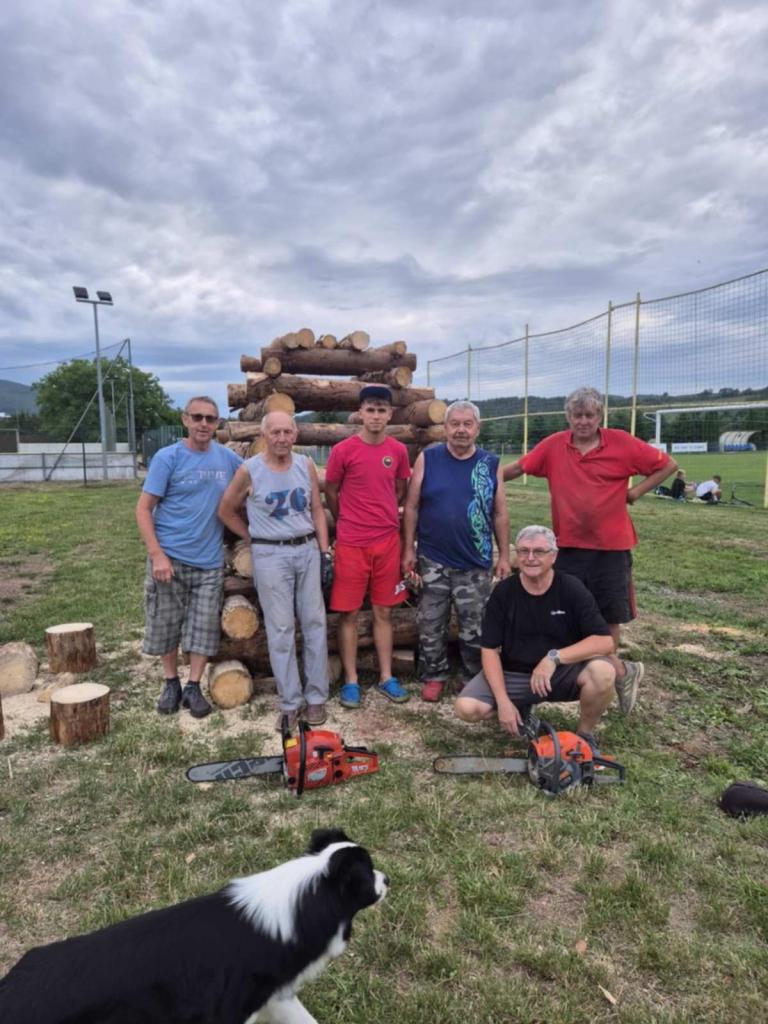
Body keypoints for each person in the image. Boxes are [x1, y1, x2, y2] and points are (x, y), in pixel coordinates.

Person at [503, 386, 677, 716]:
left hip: (611, 547)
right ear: (568, 417)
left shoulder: (621, 443)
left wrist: (635, 492)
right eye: (577, 415)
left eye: (590, 415)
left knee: (609, 615)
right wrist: (479, 479)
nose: (583, 421)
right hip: (568, 545)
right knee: (566, 613)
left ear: (600, 417)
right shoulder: (554, 445)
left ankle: (609, 675)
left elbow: (668, 465)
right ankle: (620, 672)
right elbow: (518, 468)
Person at [217, 411, 331, 729]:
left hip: (306, 549)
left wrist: (324, 551)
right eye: (275, 432)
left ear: (296, 434)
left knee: (314, 623)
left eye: (287, 432)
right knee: (280, 629)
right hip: (271, 554)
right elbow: (226, 510)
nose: (282, 438)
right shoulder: (250, 470)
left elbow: (317, 509)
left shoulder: (305, 465)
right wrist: (251, 536)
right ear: (264, 435)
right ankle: (290, 702)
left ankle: (317, 696)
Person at [455, 525, 616, 750]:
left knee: (603, 672)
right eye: (523, 551)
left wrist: (553, 658)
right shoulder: (503, 592)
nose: (530, 558)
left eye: (539, 551)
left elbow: (605, 642)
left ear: (553, 556)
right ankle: (520, 709)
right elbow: (489, 649)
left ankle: (585, 734)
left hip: (561, 672)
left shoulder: (571, 588)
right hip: (514, 673)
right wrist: (503, 701)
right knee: (466, 708)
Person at [136, 396, 242, 718]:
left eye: (210, 418)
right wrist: (157, 555)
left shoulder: (228, 459)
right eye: (197, 417)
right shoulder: (168, 458)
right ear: (185, 420)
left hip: (208, 561)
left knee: (203, 627)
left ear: (218, 423)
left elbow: (256, 481)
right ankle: (171, 683)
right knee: (165, 622)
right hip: (170, 557)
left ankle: (193, 686)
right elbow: (143, 509)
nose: (203, 424)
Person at [401, 400, 511, 703]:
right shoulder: (429, 458)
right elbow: (412, 506)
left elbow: (500, 512)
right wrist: (408, 548)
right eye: (455, 424)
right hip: (432, 558)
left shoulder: (490, 463)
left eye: (467, 424)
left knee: (474, 625)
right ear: (445, 428)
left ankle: (471, 676)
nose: (461, 430)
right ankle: (433, 674)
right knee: (430, 621)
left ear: (477, 428)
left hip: (474, 560)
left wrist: (504, 555)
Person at [324, 385, 411, 708]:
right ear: (360, 413)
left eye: (381, 410)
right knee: (348, 613)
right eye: (370, 410)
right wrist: (347, 519)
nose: (375, 416)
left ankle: (387, 676)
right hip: (351, 543)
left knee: (383, 611)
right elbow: (331, 491)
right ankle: (351, 680)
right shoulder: (343, 450)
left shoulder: (398, 451)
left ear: (390, 414)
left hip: (387, 541)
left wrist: (381, 515)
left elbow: (399, 489)